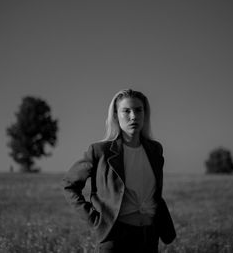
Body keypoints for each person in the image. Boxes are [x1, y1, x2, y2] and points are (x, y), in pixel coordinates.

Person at [62, 89, 176, 253]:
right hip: (116, 237)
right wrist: (94, 219)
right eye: (126, 111)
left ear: (145, 114)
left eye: (138, 110)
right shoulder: (100, 151)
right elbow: (69, 184)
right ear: (115, 115)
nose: (133, 116)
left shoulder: (155, 150)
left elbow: (155, 194)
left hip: (149, 236)